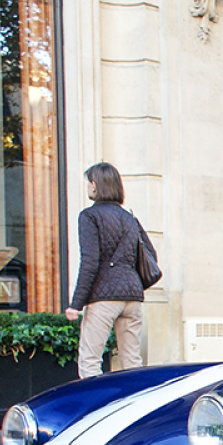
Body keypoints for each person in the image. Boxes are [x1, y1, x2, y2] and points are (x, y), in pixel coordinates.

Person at [65, 162, 156, 378]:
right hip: (132, 297)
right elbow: (151, 254)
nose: (88, 187)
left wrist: (76, 304)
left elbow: (90, 261)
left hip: (104, 297)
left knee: (90, 362)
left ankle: (96, 410)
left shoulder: (89, 216)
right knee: (132, 362)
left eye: (89, 183)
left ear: (95, 185)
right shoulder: (130, 218)